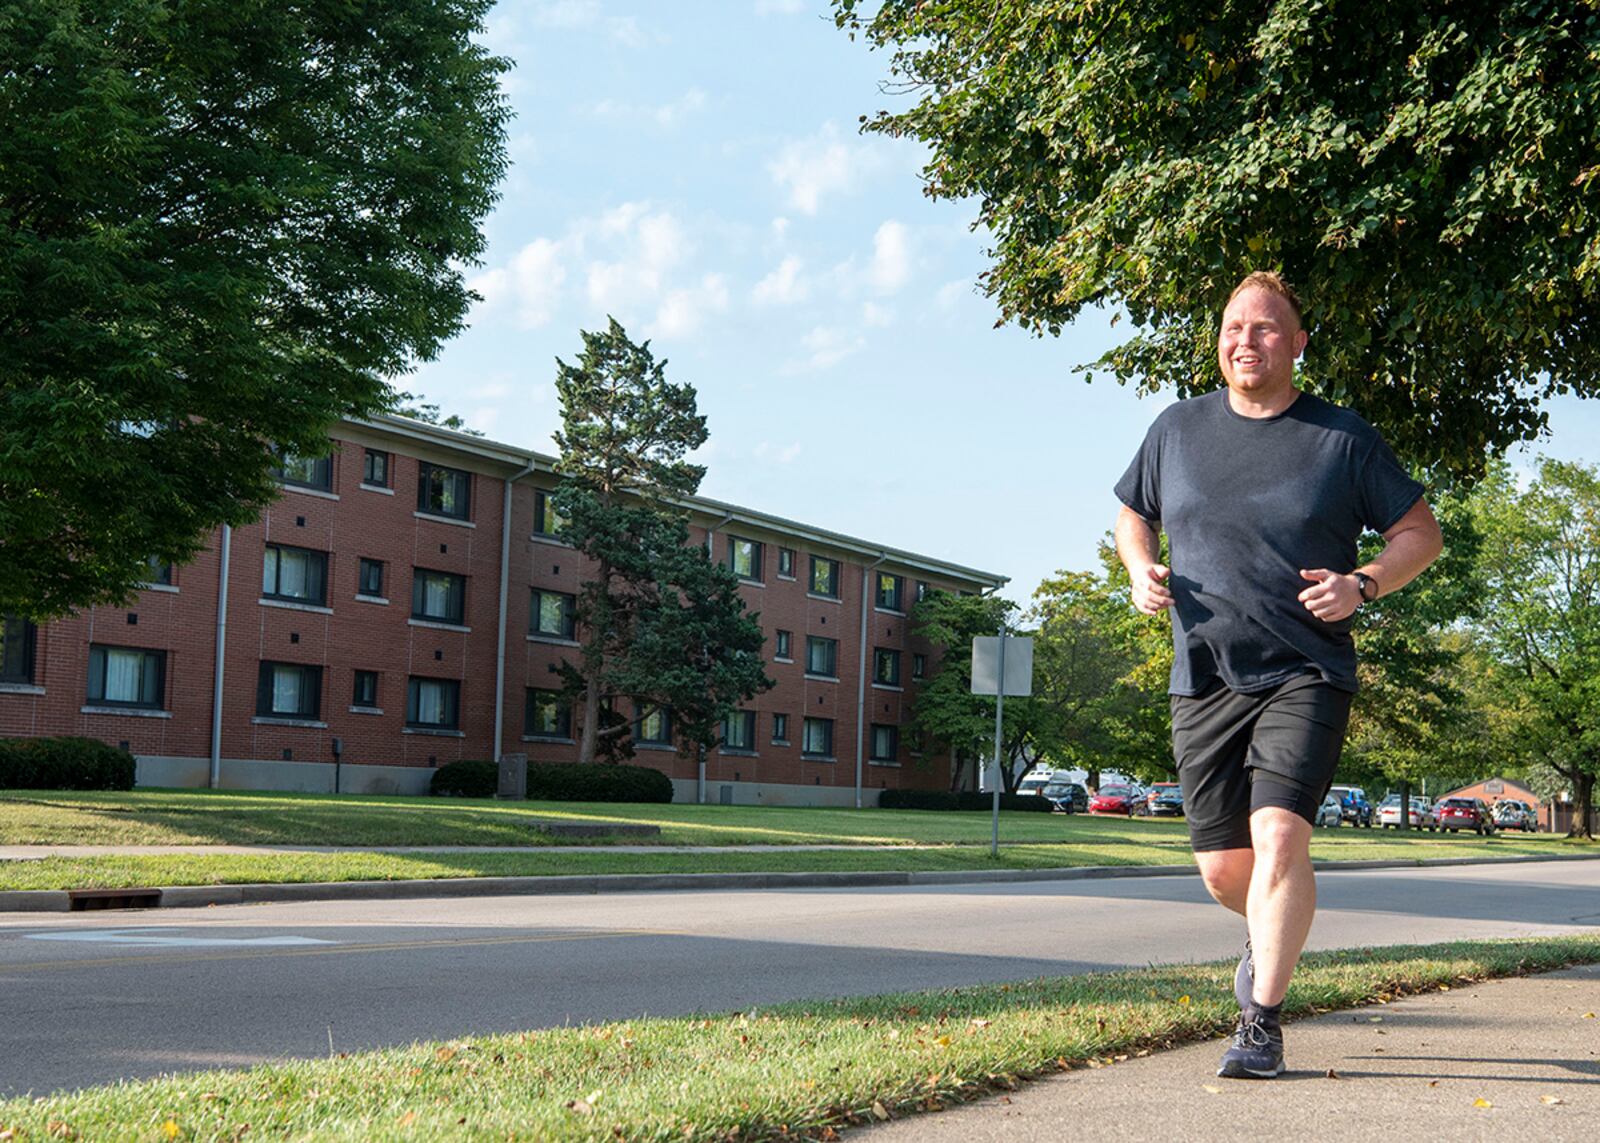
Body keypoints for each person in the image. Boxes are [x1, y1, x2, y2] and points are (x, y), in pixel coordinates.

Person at [1113, 271, 1443, 1078]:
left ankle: (1260, 1022)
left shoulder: (1342, 438)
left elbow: (1420, 533)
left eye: (1265, 328)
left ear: (1297, 344)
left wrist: (1362, 583)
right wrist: (1138, 566)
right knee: (1228, 869)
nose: (1246, 340)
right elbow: (1132, 512)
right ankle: (1269, 931)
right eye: (1233, 326)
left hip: (1307, 667)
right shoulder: (1176, 429)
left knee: (1280, 835)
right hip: (1203, 671)